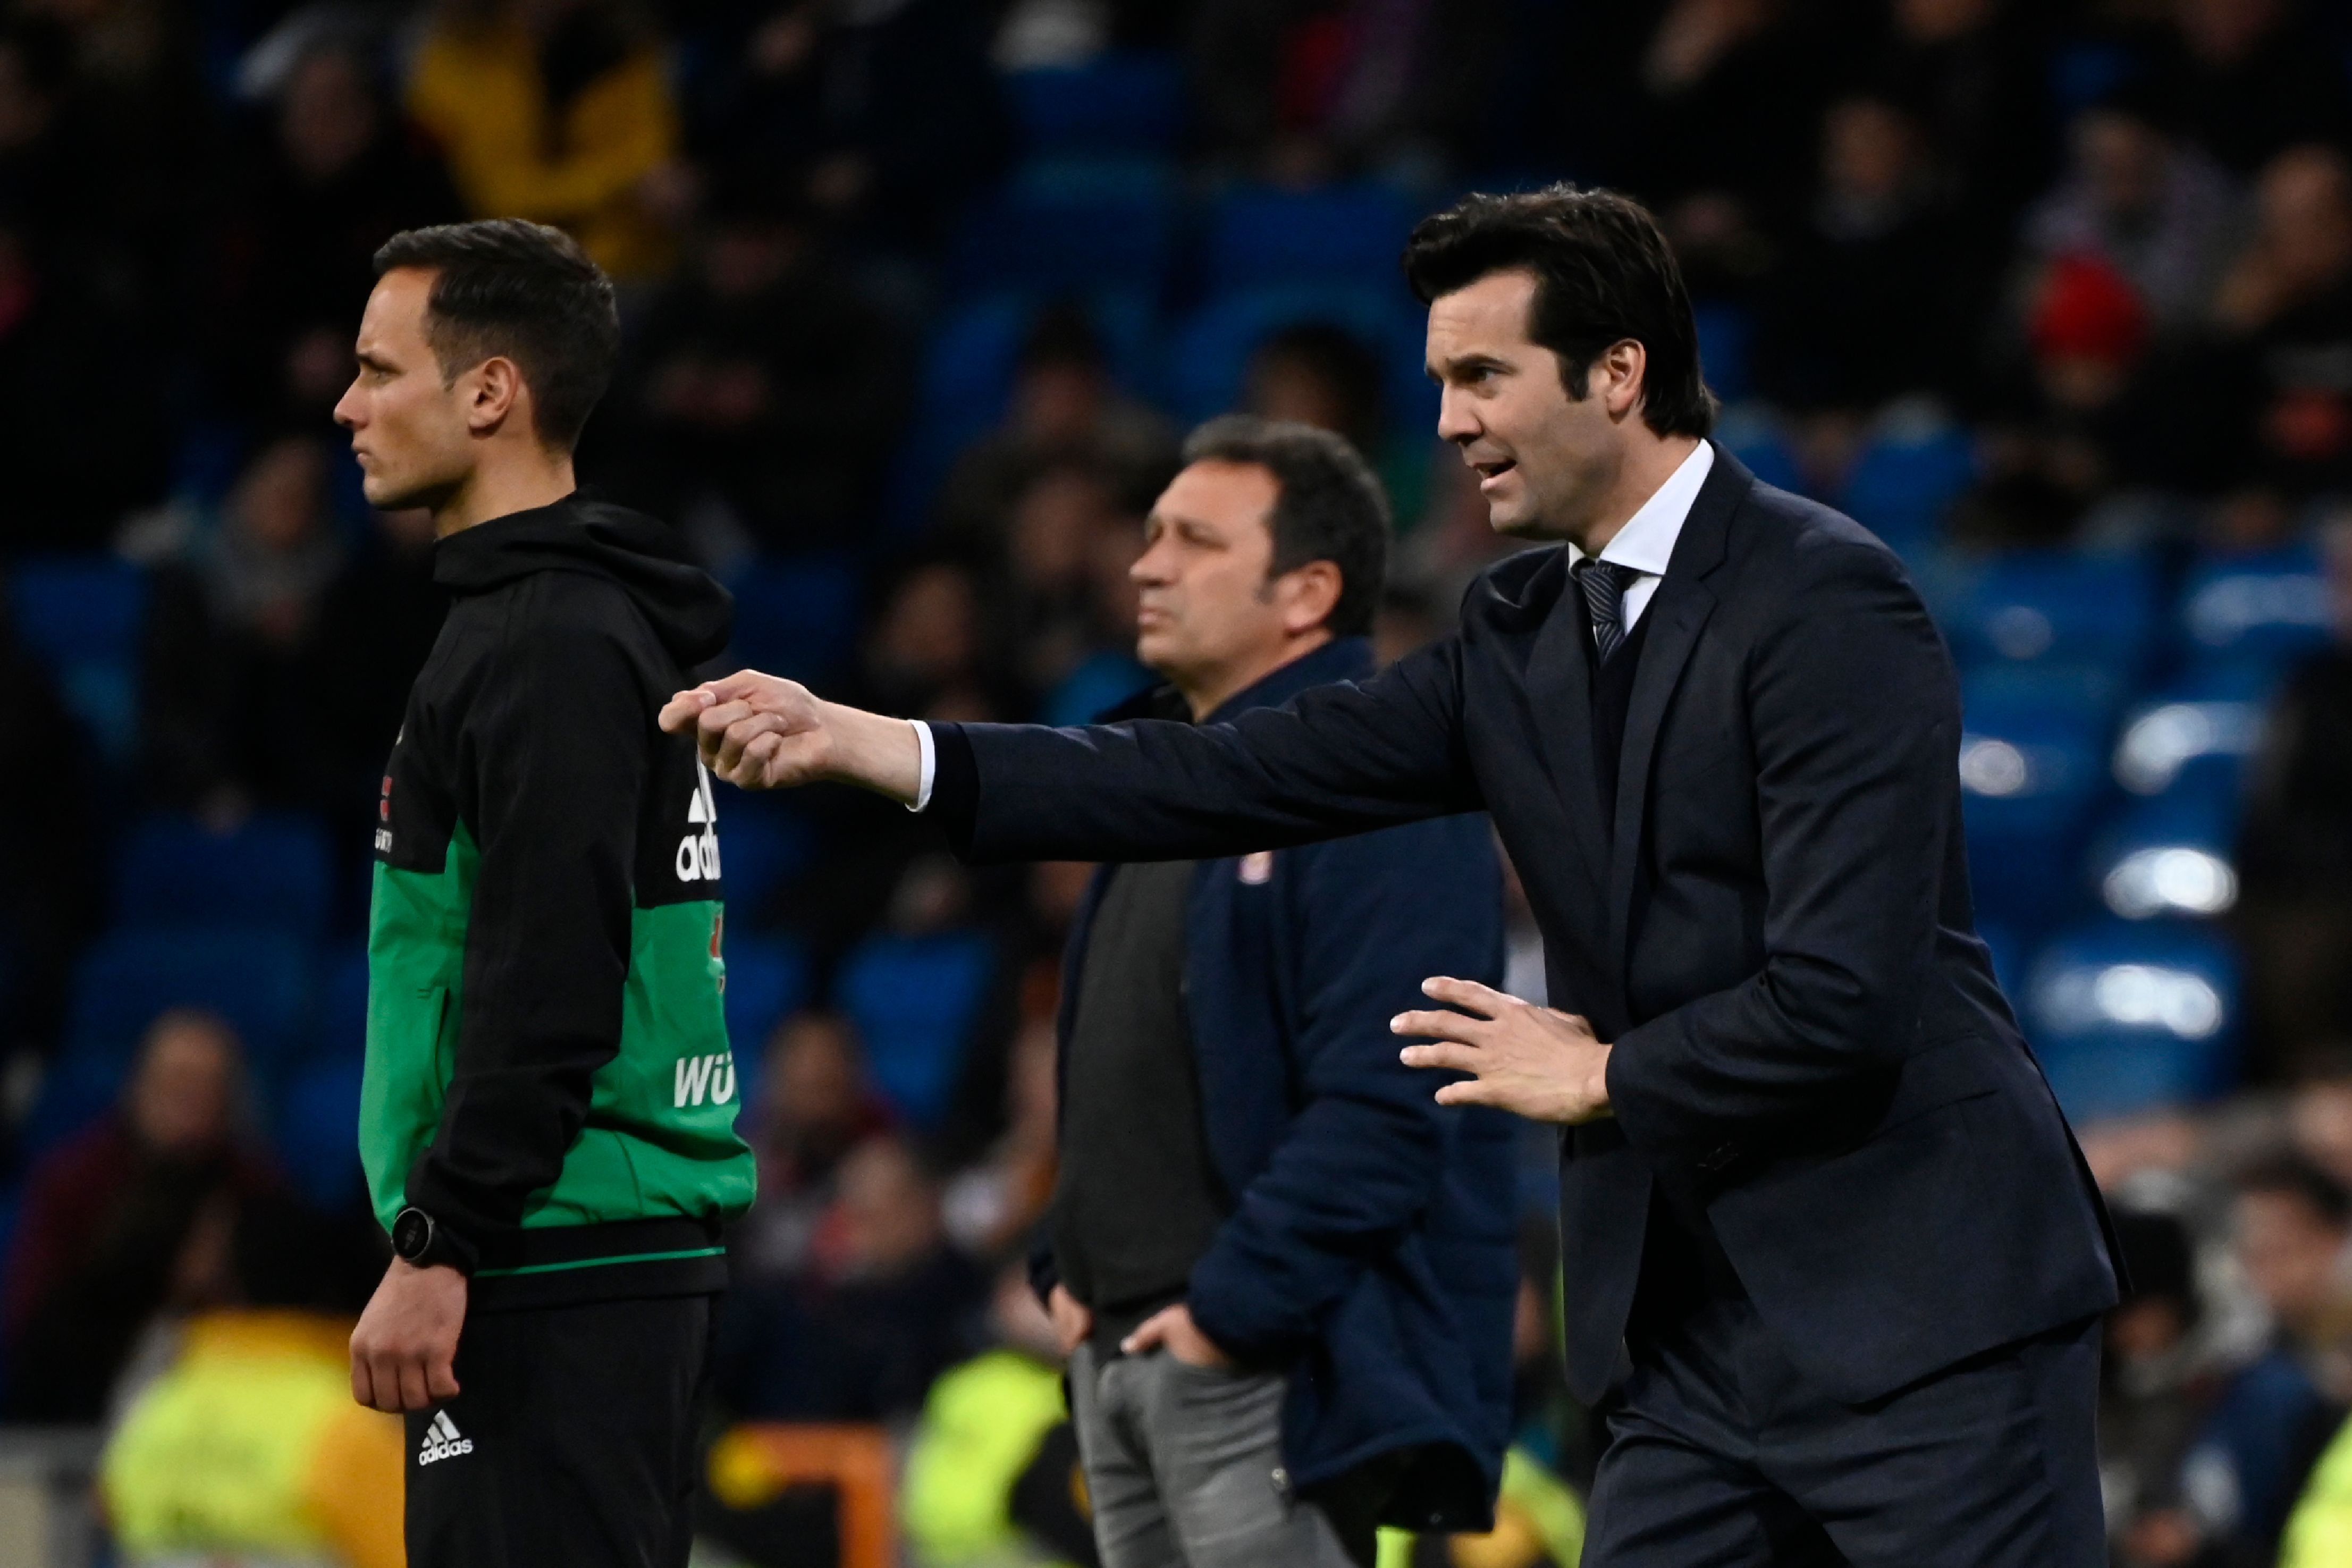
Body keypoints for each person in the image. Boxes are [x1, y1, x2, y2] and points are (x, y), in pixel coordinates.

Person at [668, 185, 2123, 1566]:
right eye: (1440, 378)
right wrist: (896, 748)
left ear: (1616, 372)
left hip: (1924, 1310)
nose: (1448, 423)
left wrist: (1606, 1072)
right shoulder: (1516, 632)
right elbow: (1223, 770)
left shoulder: (1822, 596)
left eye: (1484, 375)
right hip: (1683, 1342)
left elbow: (1847, 994)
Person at [331, 217, 754, 1568]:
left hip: (551, 1252)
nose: (347, 405)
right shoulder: (550, 621)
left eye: (378, 369)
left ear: (490, 392)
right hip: (572, 1245)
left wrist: (442, 1239)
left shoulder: (547, 638)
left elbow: (548, 967)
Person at [1020, 416, 1516, 1566]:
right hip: (1123, 1347)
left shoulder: (1379, 788)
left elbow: (1392, 1100)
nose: (1146, 564)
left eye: (1193, 540)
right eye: (1149, 536)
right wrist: (1068, 1265)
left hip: (1260, 1367)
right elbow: (1125, 1060)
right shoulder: (1163, 776)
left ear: (1306, 591)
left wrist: (1228, 1319)